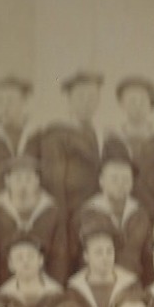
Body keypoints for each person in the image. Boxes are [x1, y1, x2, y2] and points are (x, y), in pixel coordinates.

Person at [38, 70, 106, 269]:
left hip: (93, 212)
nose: (87, 102)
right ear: (69, 100)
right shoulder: (57, 133)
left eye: (92, 97)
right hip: (68, 211)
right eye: (81, 97)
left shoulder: (98, 133)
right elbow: (54, 181)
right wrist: (61, 221)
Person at [0, 158, 68, 289]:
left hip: (44, 289)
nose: (23, 185)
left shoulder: (52, 212)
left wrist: (55, 291)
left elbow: (59, 259)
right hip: (5, 288)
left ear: (37, 181)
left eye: (28, 179)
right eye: (17, 179)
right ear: (7, 181)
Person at [103, 75, 154, 226]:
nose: (137, 105)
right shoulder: (112, 141)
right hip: (123, 213)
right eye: (131, 100)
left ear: (151, 104)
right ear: (122, 104)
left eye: (142, 100)